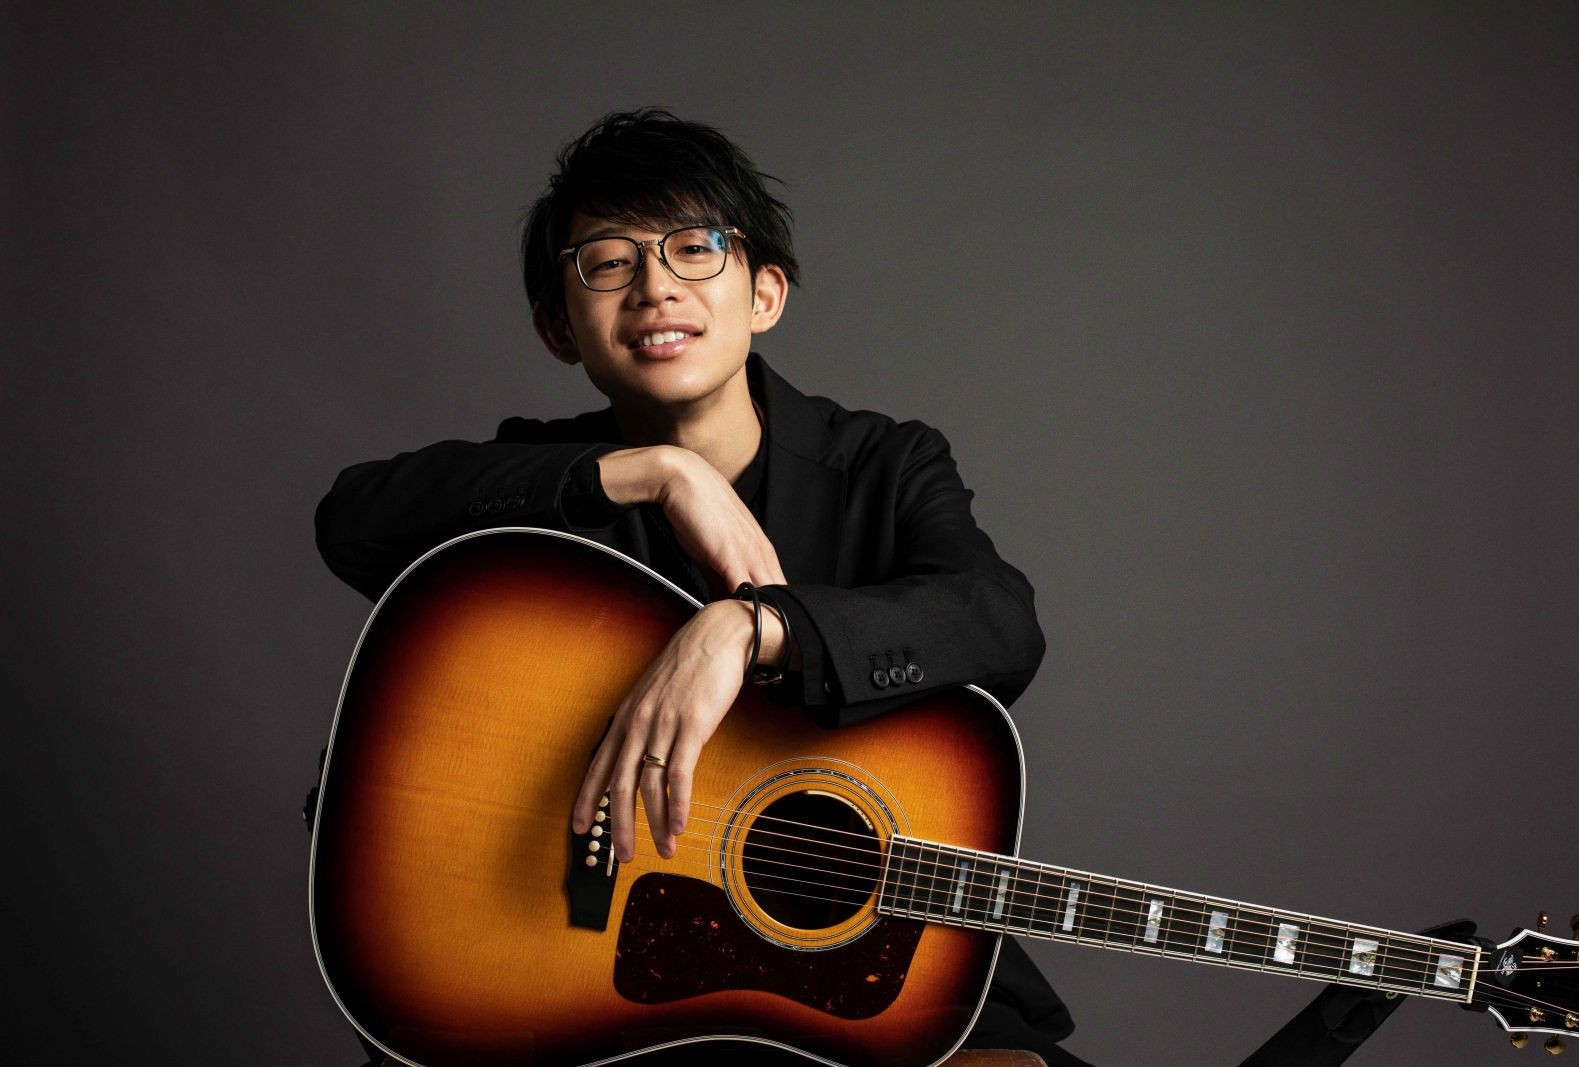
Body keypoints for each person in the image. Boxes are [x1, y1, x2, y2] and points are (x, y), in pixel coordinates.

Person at [314, 109, 1082, 1065]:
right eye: (608, 261)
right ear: (558, 327)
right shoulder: (542, 490)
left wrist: (754, 628)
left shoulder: (886, 464)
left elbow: (998, 623)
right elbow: (352, 521)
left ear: (766, 293)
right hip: (590, 1002)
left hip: (853, 988)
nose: (654, 287)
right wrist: (656, 473)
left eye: (696, 247)